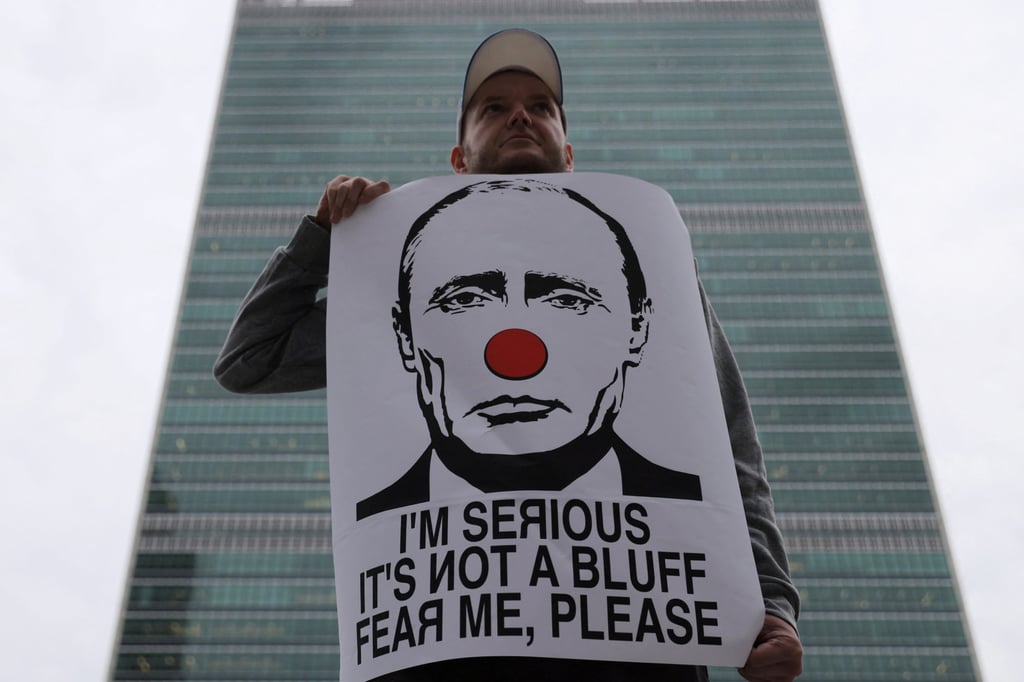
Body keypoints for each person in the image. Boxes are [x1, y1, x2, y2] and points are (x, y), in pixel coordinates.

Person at [215, 28, 802, 682]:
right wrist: (321, 241)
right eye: (492, 107)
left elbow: (731, 447)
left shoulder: (656, 268)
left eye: (540, 106)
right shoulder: (401, 279)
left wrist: (770, 600)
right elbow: (249, 360)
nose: (520, 114)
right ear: (459, 160)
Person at [356, 177, 703, 521]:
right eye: (465, 299)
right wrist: (333, 237)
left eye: (567, 299)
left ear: (637, 327)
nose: (515, 359)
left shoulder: (699, 516)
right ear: (404, 334)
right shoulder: (367, 531)